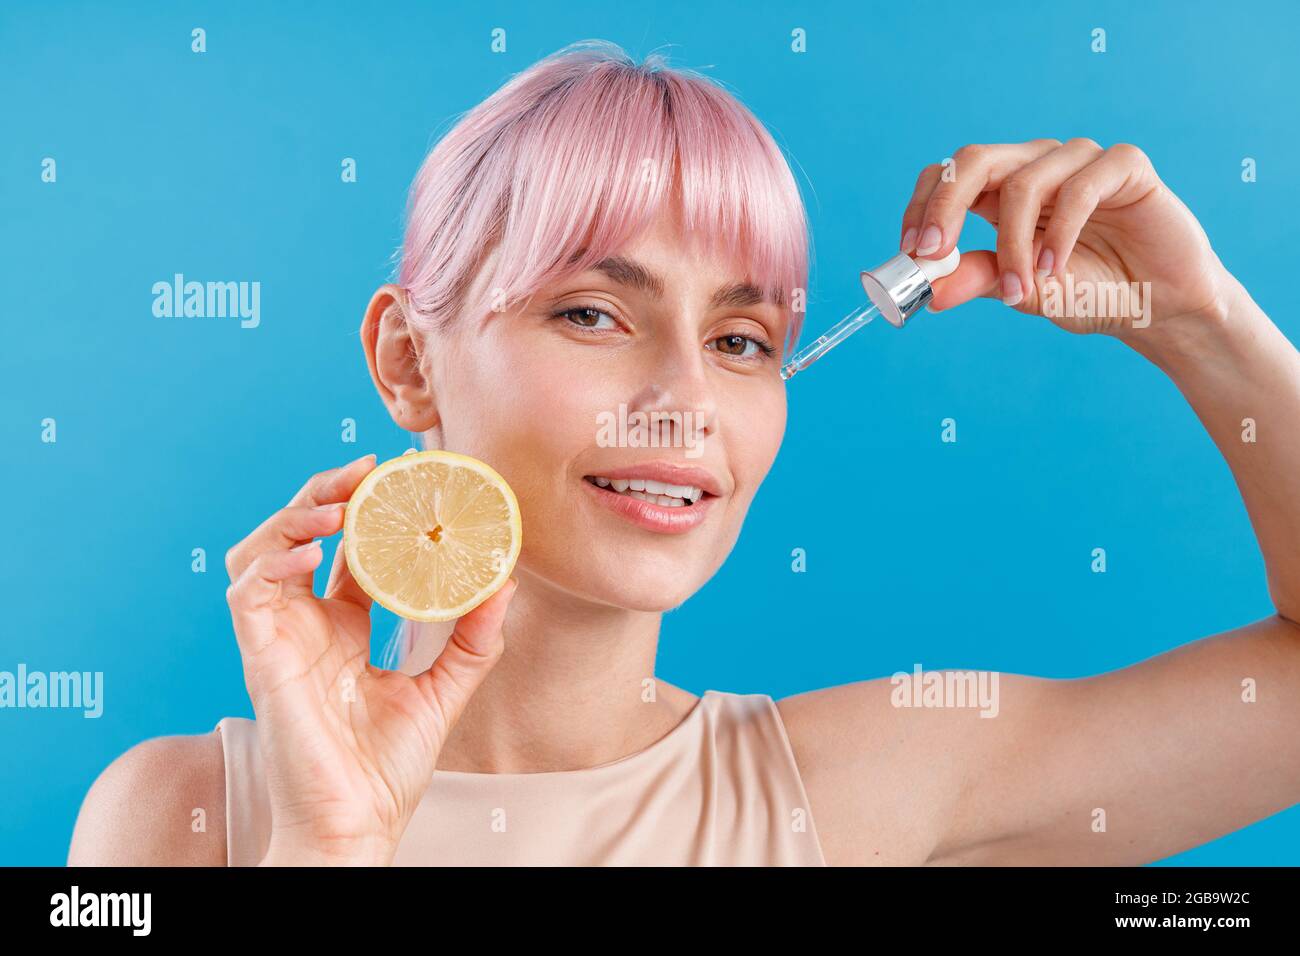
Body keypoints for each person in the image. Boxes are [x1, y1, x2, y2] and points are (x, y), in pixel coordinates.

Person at [69, 40, 1300, 866]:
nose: (685, 400)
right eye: (593, 314)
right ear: (406, 360)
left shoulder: (866, 792)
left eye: (743, 338)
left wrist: (1204, 324)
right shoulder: (176, 819)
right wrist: (327, 845)